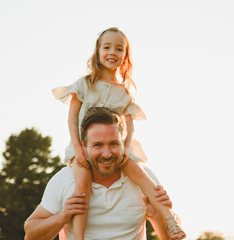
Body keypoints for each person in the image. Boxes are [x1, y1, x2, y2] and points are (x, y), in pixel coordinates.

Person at [51, 27, 185, 240]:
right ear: (98, 52)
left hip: (118, 147)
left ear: (125, 57)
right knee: (82, 187)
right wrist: (78, 148)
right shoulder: (84, 84)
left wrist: (125, 148)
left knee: (142, 175)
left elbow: (130, 127)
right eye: (107, 47)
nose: (112, 52)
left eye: (119, 49)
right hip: (85, 148)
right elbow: (72, 118)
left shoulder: (124, 92)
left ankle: (171, 220)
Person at [24, 107, 178, 240]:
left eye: (113, 144)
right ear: (83, 146)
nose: (106, 154)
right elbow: (30, 235)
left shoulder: (145, 179)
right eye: (97, 145)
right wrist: (63, 216)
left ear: (124, 144)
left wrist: (158, 218)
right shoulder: (65, 179)